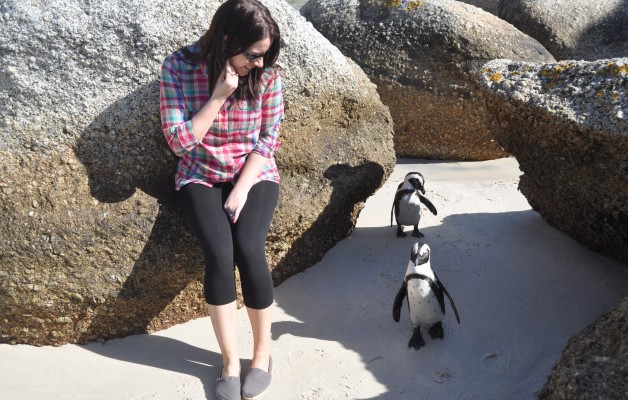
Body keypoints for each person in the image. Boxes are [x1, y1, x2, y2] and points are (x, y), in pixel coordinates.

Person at [159, 1, 282, 399]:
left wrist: (244, 188)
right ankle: (230, 360)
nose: (260, 65)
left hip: (252, 171)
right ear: (227, 39)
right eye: (253, 55)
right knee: (218, 252)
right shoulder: (178, 67)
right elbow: (179, 143)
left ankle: (262, 354)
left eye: (264, 55)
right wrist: (219, 95)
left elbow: (269, 139)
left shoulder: (268, 74)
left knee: (248, 248)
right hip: (200, 172)